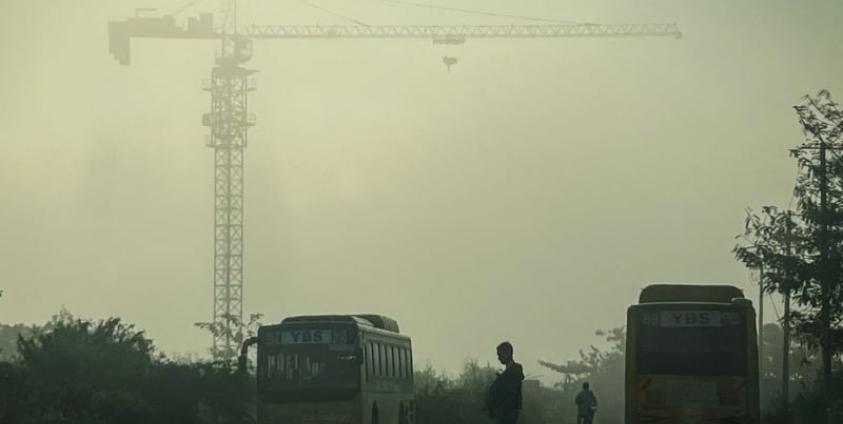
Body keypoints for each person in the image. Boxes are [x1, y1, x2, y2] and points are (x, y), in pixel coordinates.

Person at [485, 341, 525, 424]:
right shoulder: (509, 372)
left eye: (499, 354)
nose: (498, 357)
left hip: (509, 412)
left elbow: (510, 390)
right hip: (504, 413)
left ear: (506, 354)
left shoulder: (516, 369)